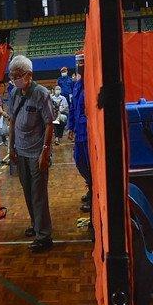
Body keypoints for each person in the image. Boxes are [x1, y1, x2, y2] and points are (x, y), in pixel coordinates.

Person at [7, 54, 55, 252]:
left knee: (38, 194)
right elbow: (12, 121)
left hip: (37, 152)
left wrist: (45, 152)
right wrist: (11, 148)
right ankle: (36, 225)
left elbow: (49, 123)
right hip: (21, 151)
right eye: (12, 75)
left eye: (18, 74)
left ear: (29, 75)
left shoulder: (41, 94)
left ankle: (44, 236)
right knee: (28, 191)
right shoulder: (15, 94)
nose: (15, 78)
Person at [69, 56, 91, 212]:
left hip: (89, 133)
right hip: (79, 132)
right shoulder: (77, 85)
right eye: (78, 63)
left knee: (91, 165)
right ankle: (91, 186)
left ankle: (94, 194)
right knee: (80, 161)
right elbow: (72, 107)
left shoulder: (92, 84)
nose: (79, 66)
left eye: (82, 63)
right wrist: (70, 127)